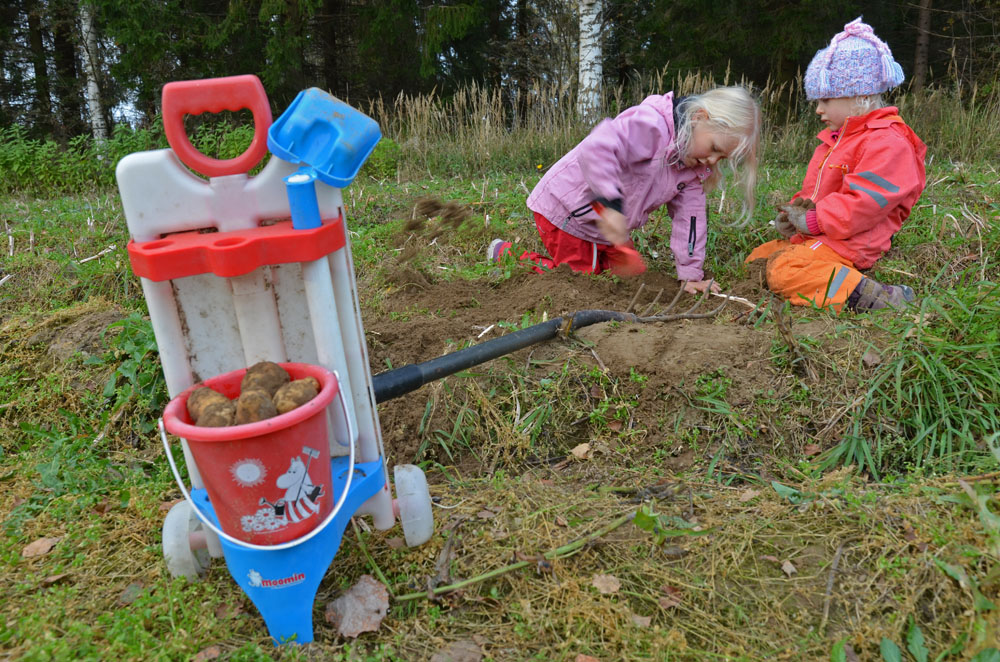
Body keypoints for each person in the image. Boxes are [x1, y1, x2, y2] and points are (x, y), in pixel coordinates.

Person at [488, 86, 761, 295]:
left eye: (721, 158)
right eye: (714, 148)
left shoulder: (692, 168)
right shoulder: (650, 125)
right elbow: (597, 149)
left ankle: (599, 254)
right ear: (699, 118)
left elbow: (690, 219)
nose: (713, 161)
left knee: (634, 274)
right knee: (582, 282)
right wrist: (610, 205)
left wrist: (690, 273)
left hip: (608, 227)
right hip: (568, 209)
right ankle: (508, 255)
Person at [746, 17, 927, 311]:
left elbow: (866, 202)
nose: (818, 109)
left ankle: (876, 297)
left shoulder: (888, 142)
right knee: (757, 259)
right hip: (822, 236)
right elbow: (817, 194)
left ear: (862, 95)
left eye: (826, 99)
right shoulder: (838, 140)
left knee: (784, 271)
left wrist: (816, 220)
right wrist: (797, 214)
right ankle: (825, 279)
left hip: (850, 244)